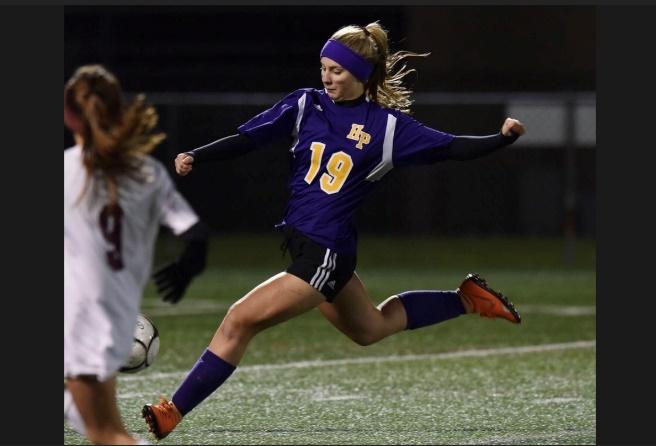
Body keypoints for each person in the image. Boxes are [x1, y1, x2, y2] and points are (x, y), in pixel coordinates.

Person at [142, 22, 526, 440]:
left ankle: (172, 410)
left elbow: (451, 147)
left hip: (324, 254)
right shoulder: (305, 104)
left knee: (239, 320)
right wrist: (198, 155)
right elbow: (248, 138)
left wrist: (501, 138)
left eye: (337, 70)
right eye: (323, 67)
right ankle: (467, 299)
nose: (327, 77)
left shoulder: (387, 128)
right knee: (371, 328)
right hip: (313, 248)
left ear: (360, 74)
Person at [64, 64, 210, 445]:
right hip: (115, 314)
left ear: (69, 117)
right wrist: (187, 267)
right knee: (100, 427)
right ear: (118, 113)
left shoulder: (65, 170)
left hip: (76, 316)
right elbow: (196, 234)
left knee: (106, 433)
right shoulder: (146, 173)